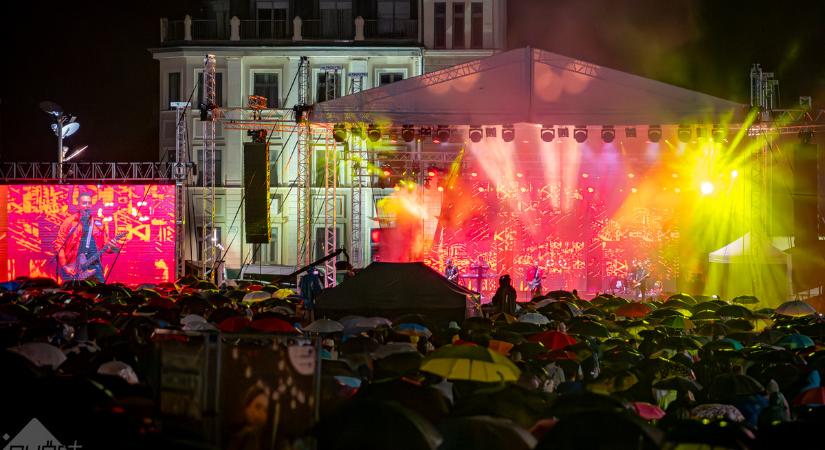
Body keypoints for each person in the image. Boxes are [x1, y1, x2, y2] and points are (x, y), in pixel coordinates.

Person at [54, 191, 111, 283]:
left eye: (89, 203)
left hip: (95, 265)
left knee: (99, 292)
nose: (87, 205)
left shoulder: (98, 223)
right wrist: (64, 265)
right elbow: (59, 244)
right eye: (84, 203)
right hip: (76, 267)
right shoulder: (69, 222)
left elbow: (107, 247)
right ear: (78, 206)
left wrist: (114, 247)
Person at [228, 383, 270, 450]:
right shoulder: (248, 435)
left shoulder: (262, 438)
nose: (261, 413)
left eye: (265, 410)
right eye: (258, 407)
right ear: (246, 408)